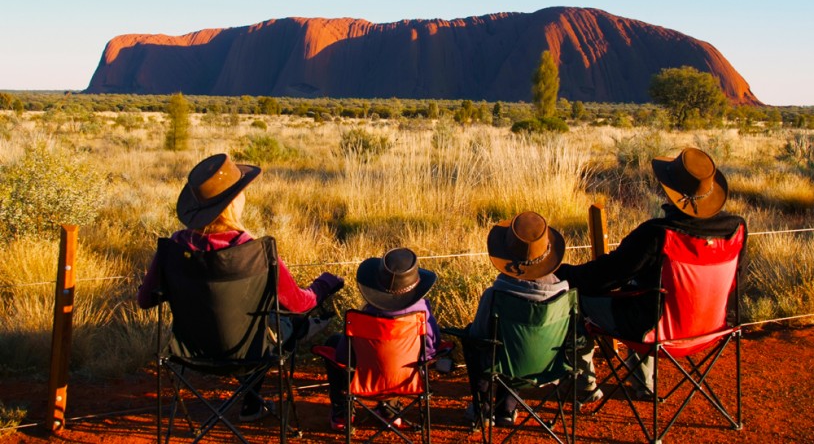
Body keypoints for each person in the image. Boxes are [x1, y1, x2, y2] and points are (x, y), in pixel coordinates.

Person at [137, 153, 344, 422]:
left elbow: (145, 300)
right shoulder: (255, 250)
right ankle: (257, 393)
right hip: (248, 350)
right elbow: (298, 303)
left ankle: (253, 400)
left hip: (191, 351)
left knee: (259, 324)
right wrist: (325, 284)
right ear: (234, 202)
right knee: (278, 326)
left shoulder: (174, 248)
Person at [555, 147, 747, 398]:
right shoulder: (734, 230)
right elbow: (736, 281)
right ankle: (644, 385)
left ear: (670, 191)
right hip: (712, 327)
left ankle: (582, 385)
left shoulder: (658, 234)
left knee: (577, 301)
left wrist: (562, 273)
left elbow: (606, 275)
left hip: (656, 330)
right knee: (645, 292)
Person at [463, 210, 576, 427]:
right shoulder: (563, 294)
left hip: (505, 362)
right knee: (516, 342)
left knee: (477, 342)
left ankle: (483, 411)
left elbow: (479, 335)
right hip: (547, 365)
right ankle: (507, 408)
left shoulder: (496, 295)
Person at [321, 247, 443, 431]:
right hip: (408, 378)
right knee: (397, 355)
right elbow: (431, 347)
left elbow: (343, 355)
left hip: (368, 378)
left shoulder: (365, 317)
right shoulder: (422, 312)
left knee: (334, 342)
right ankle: (389, 410)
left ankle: (342, 414)